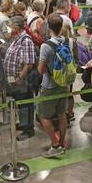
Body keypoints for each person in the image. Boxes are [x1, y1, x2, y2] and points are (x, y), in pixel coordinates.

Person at [37, 13, 70, 157]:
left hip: (49, 85)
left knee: (44, 116)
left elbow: (41, 69)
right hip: (64, 83)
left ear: (49, 27)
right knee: (61, 114)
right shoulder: (69, 42)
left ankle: (55, 145)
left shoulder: (46, 46)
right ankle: (62, 142)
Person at [4, 16, 37, 141]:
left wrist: (20, 77)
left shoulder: (26, 40)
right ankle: (23, 123)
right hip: (15, 80)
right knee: (20, 103)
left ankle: (28, 129)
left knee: (25, 104)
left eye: (10, 26)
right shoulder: (16, 39)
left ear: (16, 28)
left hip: (23, 81)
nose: (8, 28)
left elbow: (29, 63)